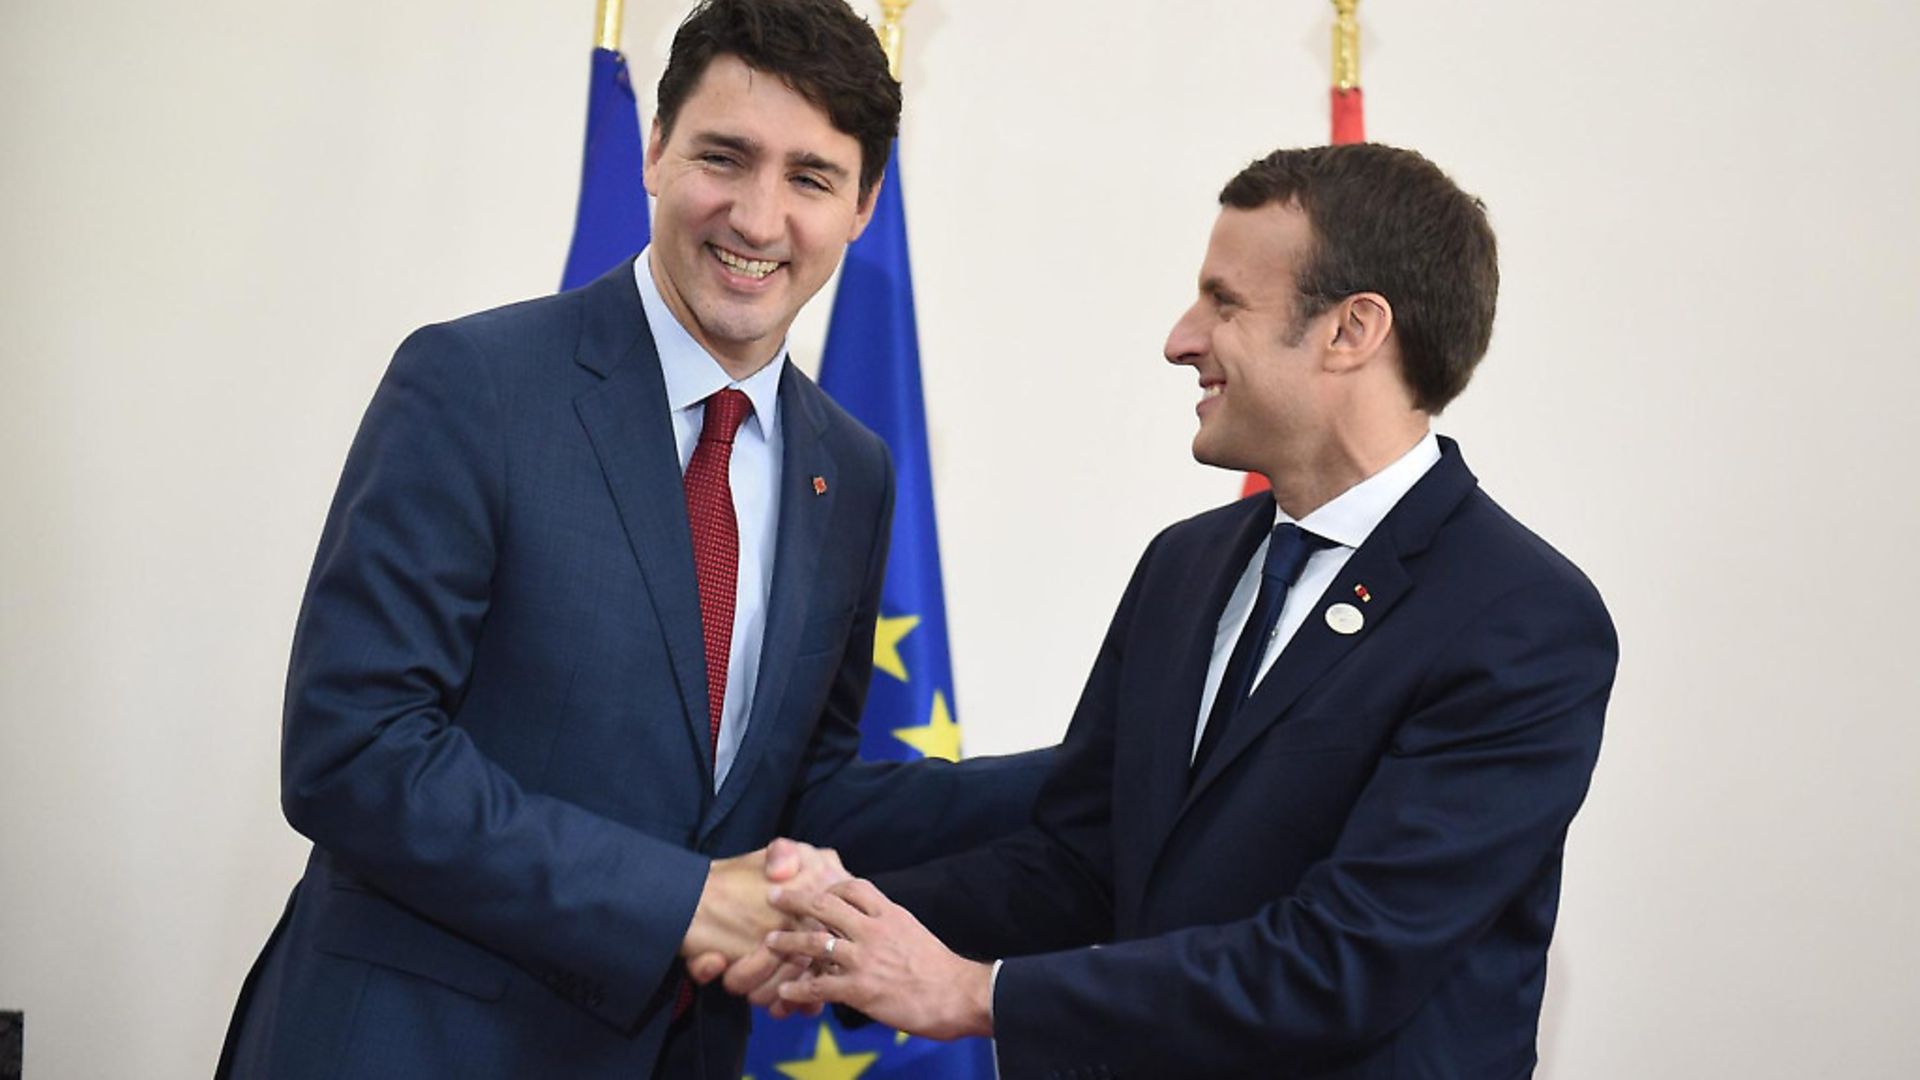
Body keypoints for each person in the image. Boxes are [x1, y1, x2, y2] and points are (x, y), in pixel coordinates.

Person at [215, 1, 1048, 1077]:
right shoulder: (476, 385)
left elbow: (801, 792)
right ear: (655, 151)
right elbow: (353, 750)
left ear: (863, 205)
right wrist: (684, 902)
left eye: (810, 178)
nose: (756, 218)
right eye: (724, 157)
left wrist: (1108, 771)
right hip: (408, 1045)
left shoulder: (852, 468)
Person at [764, 144, 1619, 1078]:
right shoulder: (1187, 565)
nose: (1182, 338)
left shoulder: (1522, 619)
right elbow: (1082, 864)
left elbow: (1344, 962)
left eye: (1225, 302)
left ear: (1352, 330)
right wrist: (825, 930)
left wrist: (977, 994)